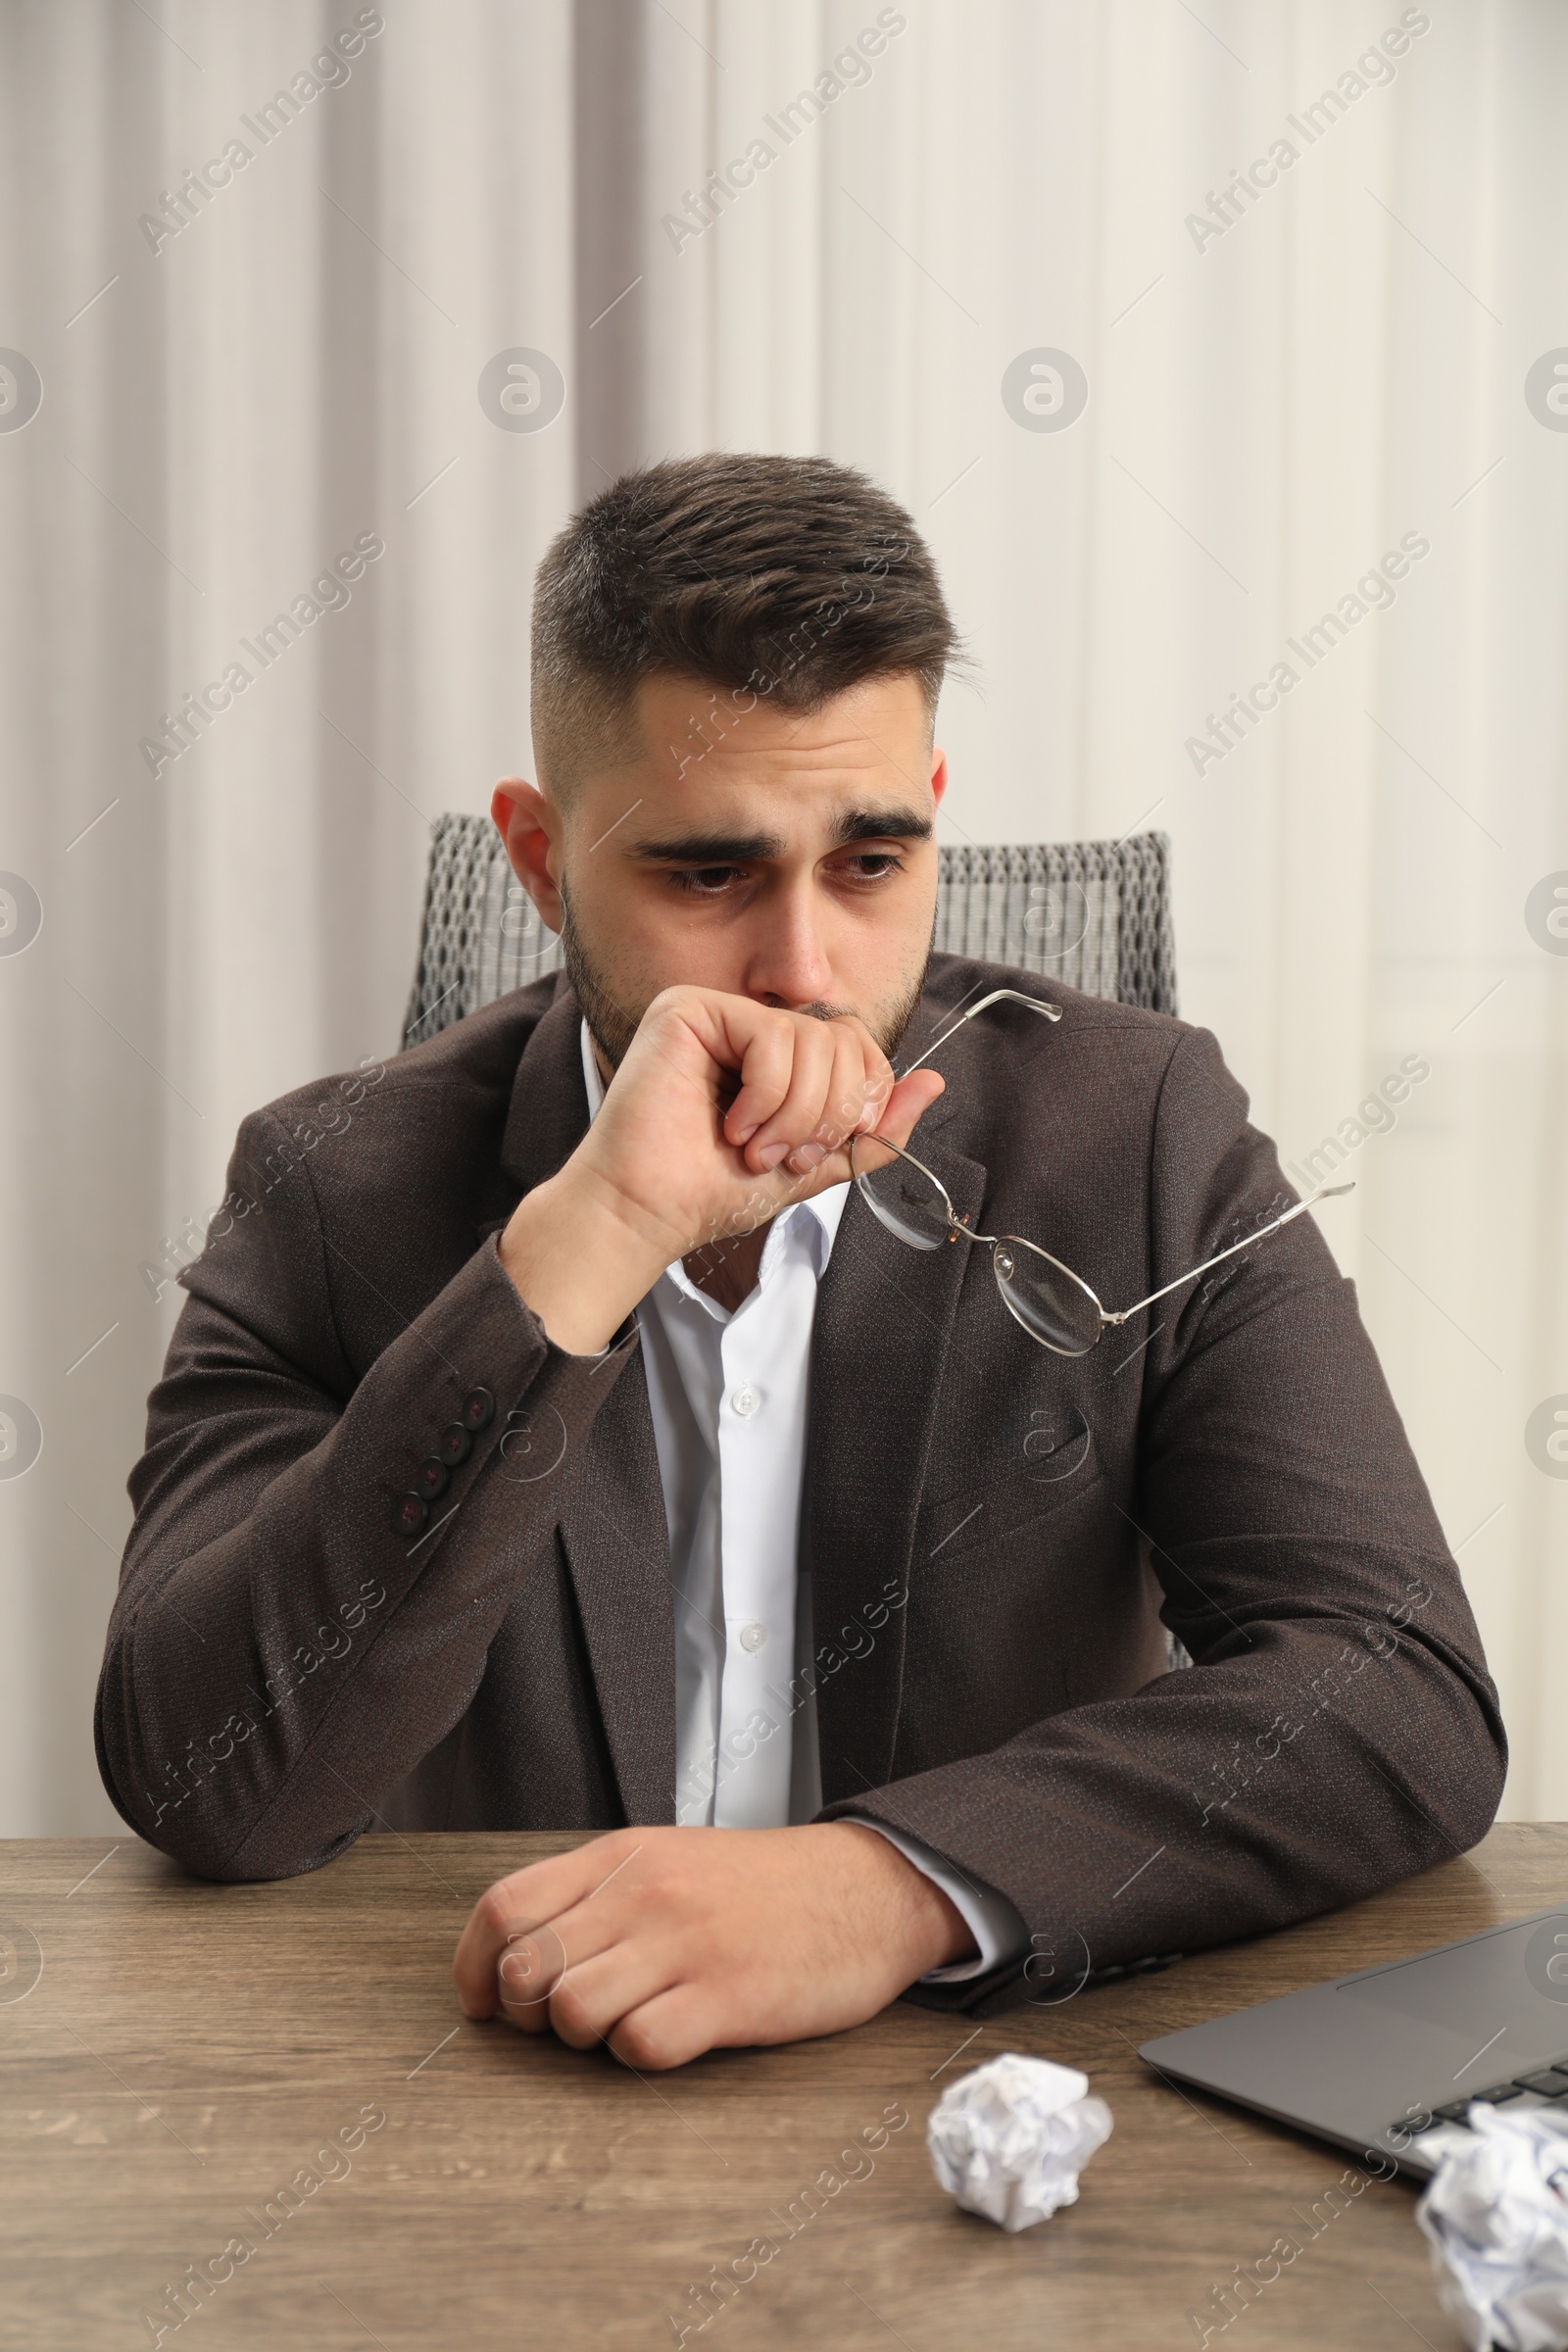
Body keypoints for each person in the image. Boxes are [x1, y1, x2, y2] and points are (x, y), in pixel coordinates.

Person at [96, 452, 1505, 2072]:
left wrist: (879, 1891)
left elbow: (1399, 1692)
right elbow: (203, 1777)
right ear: (543, 860)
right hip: (496, 2108)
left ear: (933, 824)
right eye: (708, 872)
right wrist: (592, 1238)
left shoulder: (1144, 1132)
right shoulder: (332, 1186)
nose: (804, 968)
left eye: (871, 859)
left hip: (993, 2098)